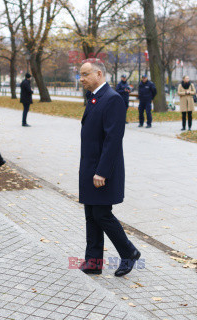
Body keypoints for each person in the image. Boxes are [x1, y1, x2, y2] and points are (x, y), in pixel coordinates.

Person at [78, 59, 141, 277]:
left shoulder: (112, 99)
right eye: (81, 74)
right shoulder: (95, 97)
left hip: (102, 170)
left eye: (85, 74)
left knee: (102, 214)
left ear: (98, 74)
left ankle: (129, 252)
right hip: (90, 167)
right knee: (91, 214)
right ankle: (93, 262)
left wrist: (102, 171)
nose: (81, 78)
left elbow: (113, 140)